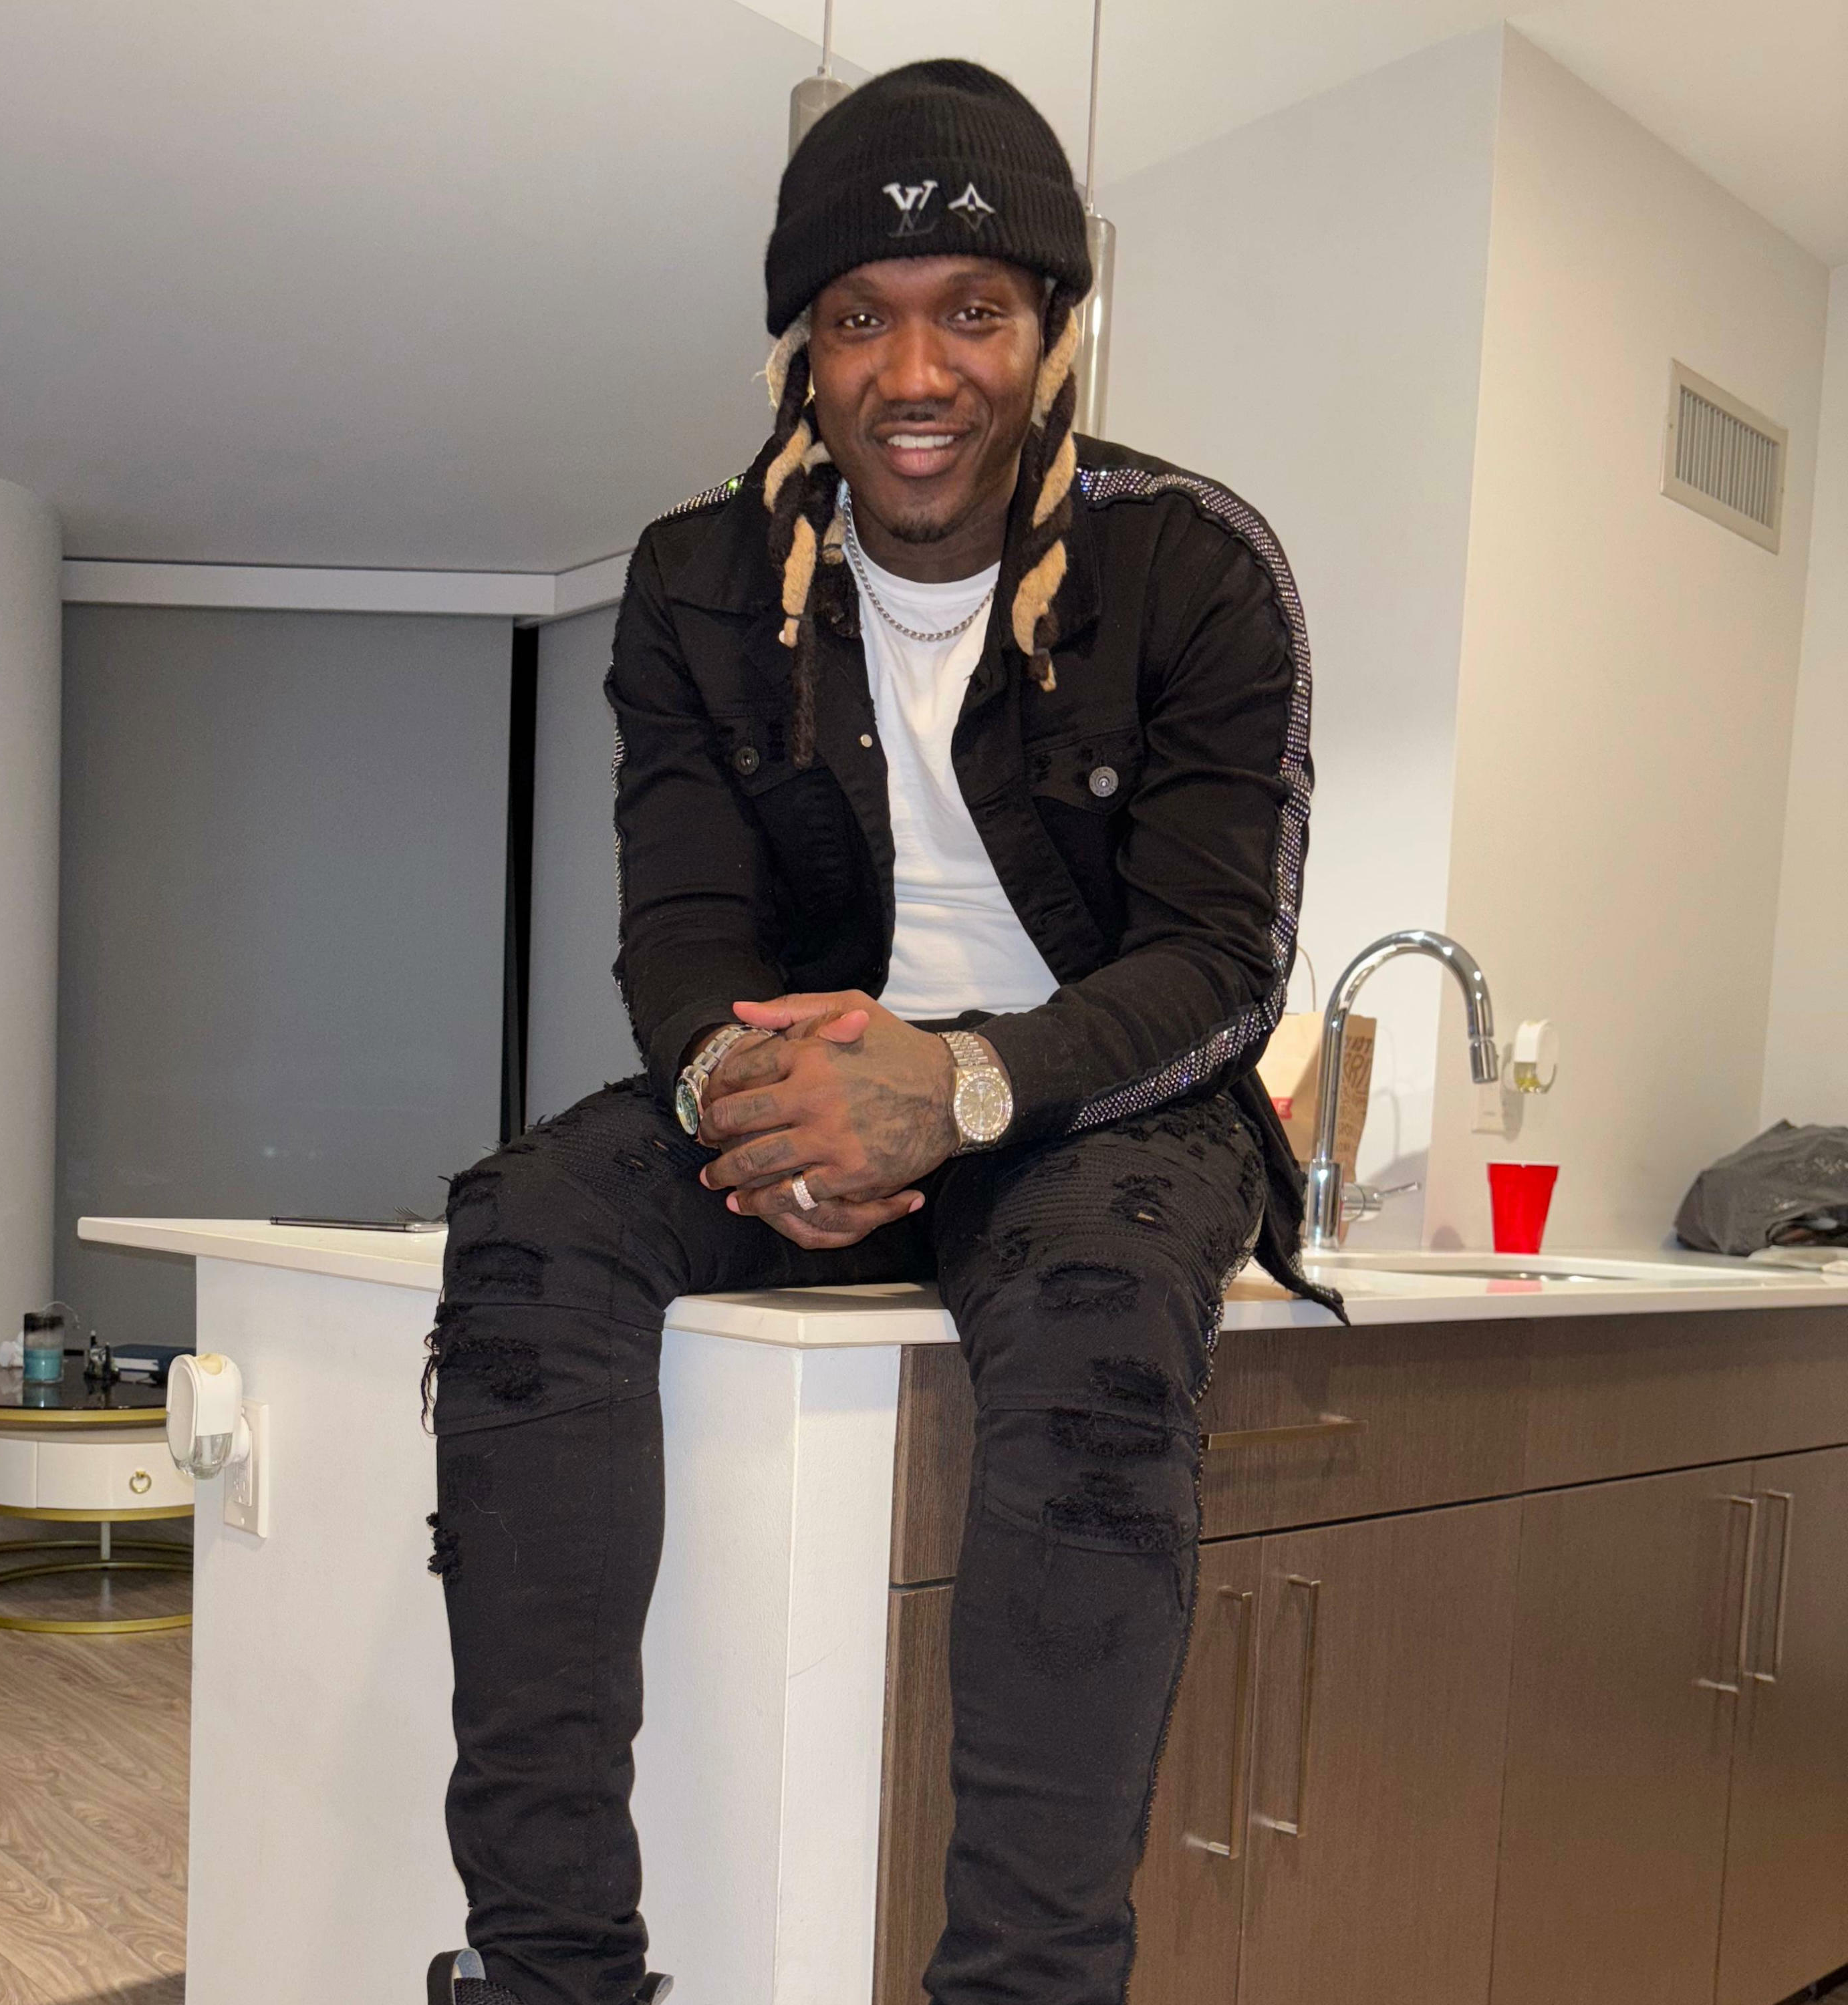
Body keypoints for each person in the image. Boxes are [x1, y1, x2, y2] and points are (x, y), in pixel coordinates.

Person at [424, 57, 1340, 2005]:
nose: (916, 373)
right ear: (801, 352)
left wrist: (959, 1089)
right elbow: (681, 932)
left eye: (972, 311)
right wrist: (762, 1100)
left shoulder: (1194, 565)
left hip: (1096, 1107)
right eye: (860, 318)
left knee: (1099, 1316)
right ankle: (549, 1969)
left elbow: (1220, 963)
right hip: (807, 1074)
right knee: (525, 1225)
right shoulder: (693, 583)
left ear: (1056, 331)